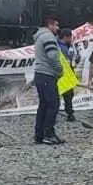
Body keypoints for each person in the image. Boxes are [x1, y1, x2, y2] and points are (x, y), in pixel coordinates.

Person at [32, 16, 64, 145]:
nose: (58, 28)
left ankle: (39, 134)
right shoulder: (48, 37)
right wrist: (59, 69)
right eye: (56, 25)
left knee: (44, 105)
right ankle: (48, 134)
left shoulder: (40, 37)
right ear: (50, 25)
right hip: (47, 75)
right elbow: (52, 56)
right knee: (53, 104)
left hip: (40, 74)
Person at [57, 28, 78, 122]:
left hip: (69, 72)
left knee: (69, 94)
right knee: (61, 94)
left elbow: (75, 57)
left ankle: (69, 112)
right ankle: (66, 112)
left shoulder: (69, 46)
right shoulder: (59, 47)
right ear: (66, 37)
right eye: (70, 37)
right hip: (61, 73)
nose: (72, 39)